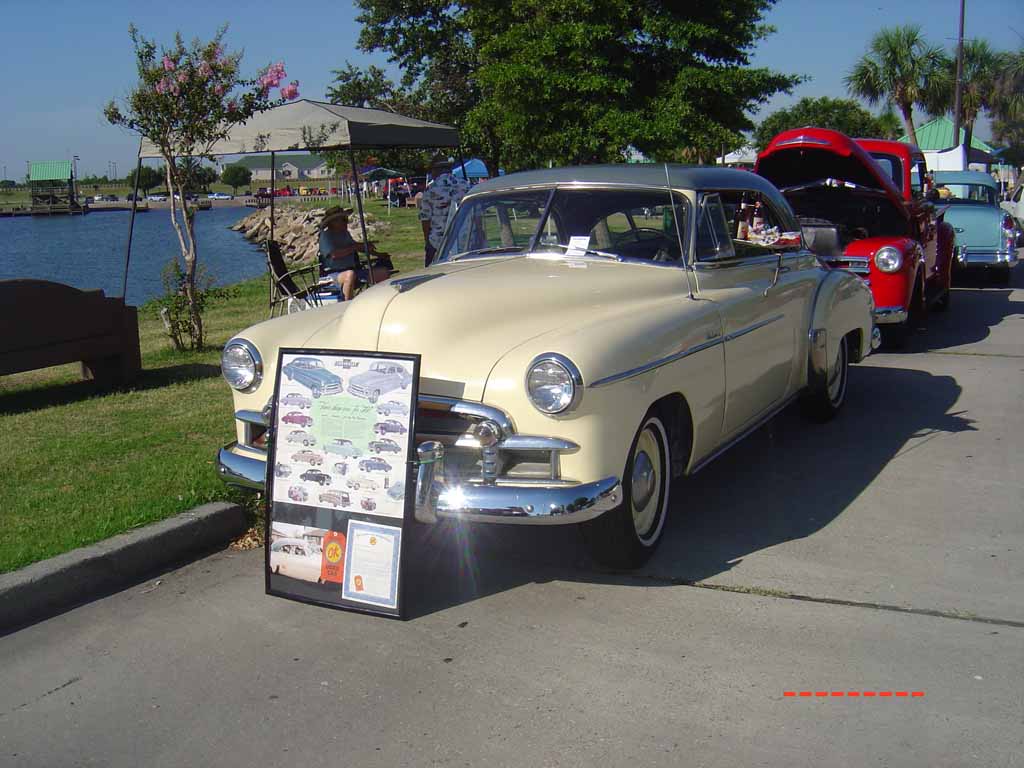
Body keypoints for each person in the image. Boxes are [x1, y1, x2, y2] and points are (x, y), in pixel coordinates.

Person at [318, 206, 390, 300]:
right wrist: (354, 247)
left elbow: (355, 246)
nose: (346, 222)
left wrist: (375, 252)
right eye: (343, 220)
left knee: (383, 272)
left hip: (352, 270)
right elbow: (334, 254)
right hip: (332, 274)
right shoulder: (326, 236)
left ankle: (380, 301)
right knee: (350, 275)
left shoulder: (345, 233)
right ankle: (347, 304)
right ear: (333, 222)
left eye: (346, 219)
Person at [419, 155, 470, 266]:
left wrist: (427, 242)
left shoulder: (431, 189)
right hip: (465, 240)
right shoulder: (465, 185)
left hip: (438, 241)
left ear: (435, 170)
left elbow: (425, 219)